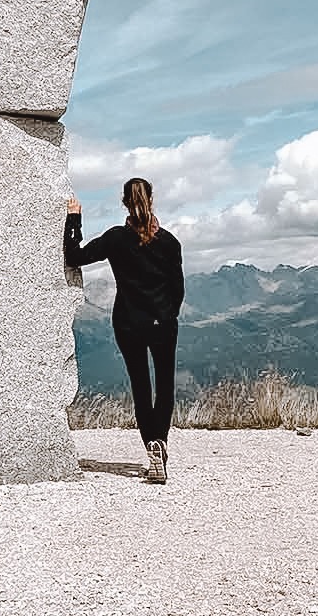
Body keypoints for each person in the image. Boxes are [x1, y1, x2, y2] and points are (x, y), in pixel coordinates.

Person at [63, 178, 183, 484]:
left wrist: (74, 218)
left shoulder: (116, 239)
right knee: (165, 386)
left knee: (141, 388)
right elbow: (177, 290)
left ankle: (152, 448)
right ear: (152, 199)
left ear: (123, 202)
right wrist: (166, 316)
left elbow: (75, 257)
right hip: (162, 324)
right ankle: (161, 443)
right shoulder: (170, 243)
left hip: (128, 323)